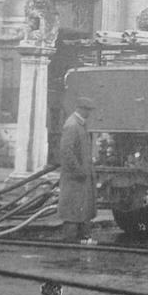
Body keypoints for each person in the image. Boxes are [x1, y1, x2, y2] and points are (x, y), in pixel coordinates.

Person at [59, 97, 98, 244]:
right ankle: (70, 249)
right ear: (81, 109)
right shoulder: (72, 125)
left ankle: (80, 244)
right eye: (88, 110)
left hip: (80, 180)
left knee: (80, 212)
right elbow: (66, 152)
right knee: (72, 214)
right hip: (74, 180)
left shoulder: (80, 125)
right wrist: (78, 170)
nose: (89, 113)